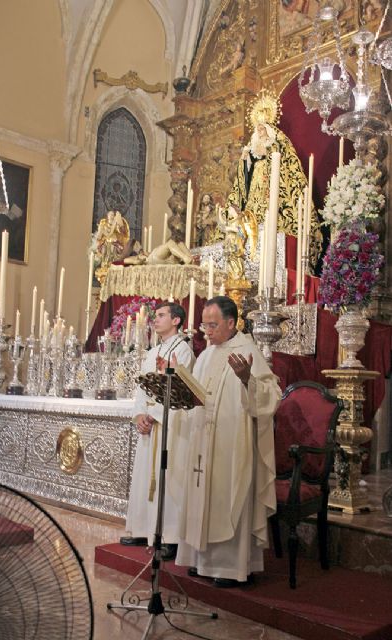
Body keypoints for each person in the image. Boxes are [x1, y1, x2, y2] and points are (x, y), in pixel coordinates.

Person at [176, 296, 281, 587]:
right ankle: (200, 560)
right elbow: (196, 394)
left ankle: (227, 567)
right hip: (203, 441)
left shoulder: (247, 350)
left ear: (231, 323)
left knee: (227, 497)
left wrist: (248, 379)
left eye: (213, 325)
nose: (206, 331)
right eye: (204, 325)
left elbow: (271, 396)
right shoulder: (207, 355)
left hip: (231, 443)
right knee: (201, 497)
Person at [120, 301, 195, 559]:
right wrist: (139, 414)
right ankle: (143, 529)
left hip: (169, 424)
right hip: (149, 423)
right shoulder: (153, 352)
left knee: (167, 478)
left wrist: (153, 415)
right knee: (145, 476)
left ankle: (169, 536)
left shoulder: (183, 350)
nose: (156, 319)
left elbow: (182, 387)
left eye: (162, 315)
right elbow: (142, 387)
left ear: (176, 320)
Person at [226, 91, 322, 265]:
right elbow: (244, 175)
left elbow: (285, 164)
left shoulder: (278, 141)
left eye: (263, 128)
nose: (260, 131)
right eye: (258, 128)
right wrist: (246, 160)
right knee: (251, 209)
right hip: (256, 181)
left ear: (269, 127)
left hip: (271, 184)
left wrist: (269, 151)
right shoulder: (252, 145)